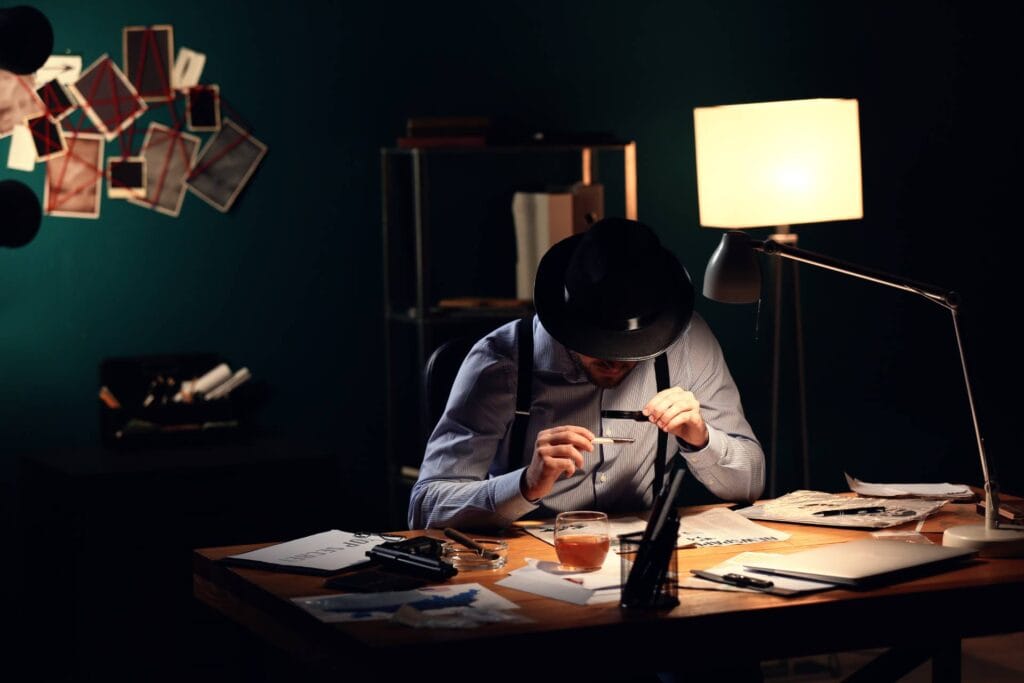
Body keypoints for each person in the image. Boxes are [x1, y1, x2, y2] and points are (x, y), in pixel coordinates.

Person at [408, 217, 764, 531]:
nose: (614, 361)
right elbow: (425, 508)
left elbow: (751, 483)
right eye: (599, 343)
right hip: (525, 562)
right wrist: (526, 484)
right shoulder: (501, 362)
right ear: (569, 322)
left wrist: (700, 438)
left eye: (633, 348)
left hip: (637, 557)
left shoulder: (687, 345)